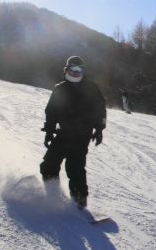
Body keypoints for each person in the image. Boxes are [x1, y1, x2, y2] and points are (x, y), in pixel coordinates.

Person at [40, 56, 107, 209]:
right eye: (73, 69)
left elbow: (100, 108)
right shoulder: (60, 88)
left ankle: (79, 203)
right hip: (64, 133)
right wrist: (49, 130)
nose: (76, 73)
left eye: (79, 70)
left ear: (83, 71)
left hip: (82, 135)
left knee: (75, 167)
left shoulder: (91, 88)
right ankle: (53, 193)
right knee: (48, 164)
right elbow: (51, 111)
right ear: (67, 70)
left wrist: (99, 129)